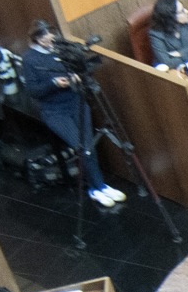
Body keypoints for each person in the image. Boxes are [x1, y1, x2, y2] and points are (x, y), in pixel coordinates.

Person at [22, 22, 120, 205]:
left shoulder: (62, 48)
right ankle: (96, 187)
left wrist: (77, 76)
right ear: (35, 38)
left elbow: (78, 67)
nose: (49, 39)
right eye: (43, 36)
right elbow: (33, 90)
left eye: (50, 34)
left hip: (77, 102)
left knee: (89, 145)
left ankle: (101, 186)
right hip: (55, 111)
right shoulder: (29, 59)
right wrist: (54, 83)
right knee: (82, 147)